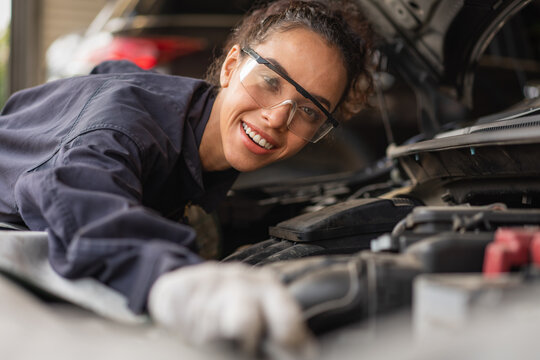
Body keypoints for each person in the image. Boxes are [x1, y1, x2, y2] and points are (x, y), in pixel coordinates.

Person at [0, 0, 372, 355]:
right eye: (270, 81)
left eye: (308, 110)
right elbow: (76, 193)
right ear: (231, 66)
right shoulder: (129, 124)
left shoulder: (192, 134)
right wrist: (173, 278)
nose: (277, 118)